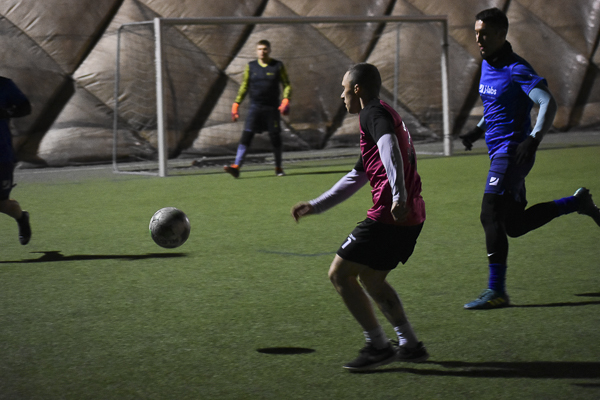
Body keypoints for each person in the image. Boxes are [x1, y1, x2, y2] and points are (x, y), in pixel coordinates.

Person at [460, 8, 600, 310]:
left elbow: (547, 102)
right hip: (498, 154)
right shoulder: (487, 63)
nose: (479, 39)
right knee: (514, 225)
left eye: (484, 34)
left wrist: (534, 139)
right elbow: (495, 105)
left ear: (501, 34)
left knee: (489, 212)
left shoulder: (516, 68)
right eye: (476, 33)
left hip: (514, 152)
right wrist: (477, 130)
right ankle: (576, 203)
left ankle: (497, 291)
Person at [291, 63, 428, 371]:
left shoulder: (371, 114)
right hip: (412, 217)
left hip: (390, 216)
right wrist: (316, 205)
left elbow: (389, 146)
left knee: (339, 274)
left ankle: (378, 346)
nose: (342, 96)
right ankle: (410, 344)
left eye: (344, 89)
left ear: (357, 89)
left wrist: (398, 195)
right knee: (371, 279)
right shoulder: (384, 114)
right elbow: (357, 176)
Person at [224, 39, 292, 178]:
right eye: (260, 49)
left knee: (275, 137)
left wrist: (286, 100)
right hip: (255, 107)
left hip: (271, 108)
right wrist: (236, 104)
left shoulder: (277, 66)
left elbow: (287, 84)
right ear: (256, 51)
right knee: (247, 135)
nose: (262, 52)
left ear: (269, 50)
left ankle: (278, 167)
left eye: (265, 49)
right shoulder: (251, 66)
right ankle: (236, 167)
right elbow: (244, 86)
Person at [0, 76, 32, 245]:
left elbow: (25, 107)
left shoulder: (4, 85)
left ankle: (21, 217)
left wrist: (7, 113)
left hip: (1, 155)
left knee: (2, 204)